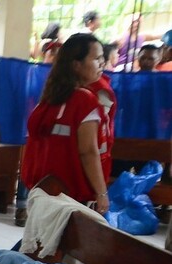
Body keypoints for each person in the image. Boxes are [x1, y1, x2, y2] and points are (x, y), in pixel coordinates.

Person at [20, 34, 110, 215]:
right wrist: (101, 192)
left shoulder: (50, 98)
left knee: (44, 238)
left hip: (44, 189)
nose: (102, 63)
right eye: (96, 58)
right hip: (70, 194)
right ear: (76, 65)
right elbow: (88, 152)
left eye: (103, 58)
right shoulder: (85, 100)